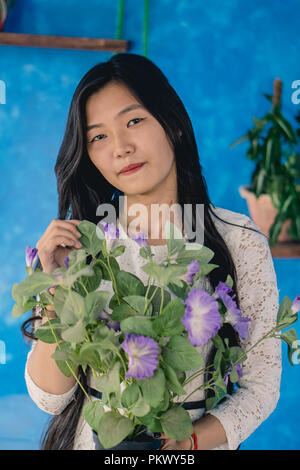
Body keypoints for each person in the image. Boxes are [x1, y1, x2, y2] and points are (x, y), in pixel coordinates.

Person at [21, 53, 281, 450]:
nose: (120, 147)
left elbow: (260, 388)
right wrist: (56, 290)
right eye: (98, 136)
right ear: (88, 153)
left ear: (173, 125)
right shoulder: (82, 247)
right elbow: (49, 397)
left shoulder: (240, 240)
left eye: (134, 121)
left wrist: (185, 445)